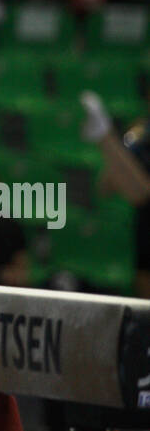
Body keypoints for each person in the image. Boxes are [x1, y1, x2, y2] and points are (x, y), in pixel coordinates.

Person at [80, 91, 150, 300]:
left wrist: (107, 140)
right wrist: (120, 150)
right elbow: (106, 185)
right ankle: (103, 133)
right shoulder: (141, 133)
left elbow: (141, 193)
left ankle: (103, 132)